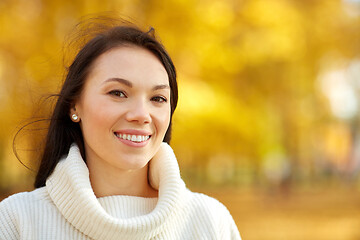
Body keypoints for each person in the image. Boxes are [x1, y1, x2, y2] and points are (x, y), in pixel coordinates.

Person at [0, 18, 241, 239]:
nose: (141, 115)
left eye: (158, 98)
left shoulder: (210, 222)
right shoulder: (16, 221)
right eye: (118, 93)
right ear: (75, 105)